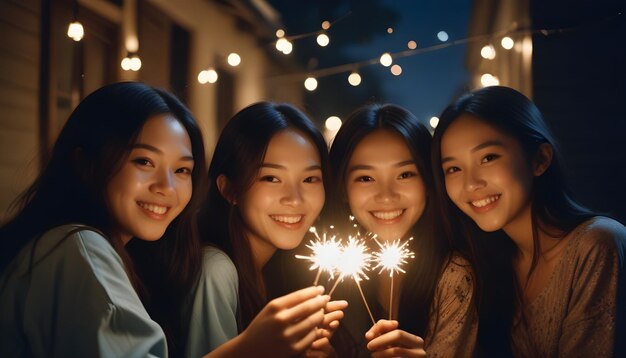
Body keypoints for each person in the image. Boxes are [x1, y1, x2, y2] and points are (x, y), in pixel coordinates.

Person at [0, 81, 209, 357]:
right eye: (144, 161)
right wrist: (249, 347)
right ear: (86, 162)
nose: (166, 187)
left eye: (182, 170)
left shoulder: (96, 250)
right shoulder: (78, 248)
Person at [431, 85, 626, 357]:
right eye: (453, 168)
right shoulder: (487, 267)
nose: (470, 184)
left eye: (488, 157)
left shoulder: (596, 245)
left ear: (540, 159)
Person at [191, 102, 348, 357]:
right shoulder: (215, 268)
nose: (295, 199)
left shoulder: (282, 270)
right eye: (271, 178)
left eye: (310, 179)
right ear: (229, 189)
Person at [324, 104, 477, 357]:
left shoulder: (454, 276)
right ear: (342, 190)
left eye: (405, 174)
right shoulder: (333, 274)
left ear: (428, 182)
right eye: (365, 178)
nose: (387, 196)